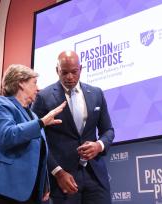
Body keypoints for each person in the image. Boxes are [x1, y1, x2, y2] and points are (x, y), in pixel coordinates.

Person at [0, 64, 67, 204]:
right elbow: (7, 136)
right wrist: (42, 122)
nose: (38, 89)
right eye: (34, 83)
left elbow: (38, 153)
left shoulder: (33, 116)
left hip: (25, 194)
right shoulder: (1, 104)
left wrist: (42, 183)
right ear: (21, 83)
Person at [32, 51, 115, 204]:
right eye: (64, 72)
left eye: (74, 72)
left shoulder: (96, 93)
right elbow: (35, 139)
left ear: (81, 69)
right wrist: (57, 172)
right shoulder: (43, 97)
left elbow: (108, 130)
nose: (69, 77)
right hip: (63, 179)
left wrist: (98, 145)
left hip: (95, 175)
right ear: (57, 70)